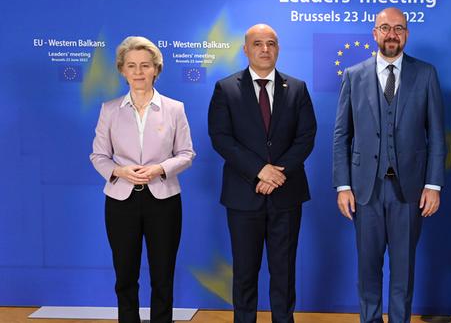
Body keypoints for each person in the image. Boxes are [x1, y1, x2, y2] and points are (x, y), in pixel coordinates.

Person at [333, 7, 445, 323]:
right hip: (364, 189)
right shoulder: (353, 75)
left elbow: (436, 134)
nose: (392, 34)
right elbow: (341, 135)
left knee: (403, 270)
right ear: (375, 34)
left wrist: (433, 184)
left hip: (409, 191)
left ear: (406, 34)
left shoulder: (426, 74)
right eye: (385, 28)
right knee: (367, 268)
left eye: (398, 28)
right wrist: (343, 185)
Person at [208, 24, 316, 323]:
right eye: (258, 43)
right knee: (244, 271)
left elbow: (306, 136)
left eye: (271, 43)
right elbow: (221, 137)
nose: (264, 49)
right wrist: (260, 171)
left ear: (278, 49)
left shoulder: (297, 88)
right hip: (243, 195)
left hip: (286, 194)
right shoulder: (226, 88)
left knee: (284, 269)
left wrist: (276, 173)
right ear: (246, 49)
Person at [90, 36, 195, 323]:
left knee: (163, 274)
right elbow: (98, 156)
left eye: (145, 65)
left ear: (156, 69)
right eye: (132, 66)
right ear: (122, 70)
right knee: (125, 274)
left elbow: (186, 154)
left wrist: (160, 168)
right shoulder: (109, 109)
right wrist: (120, 171)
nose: (138, 72)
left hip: (164, 199)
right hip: (120, 200)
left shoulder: (175, 108)